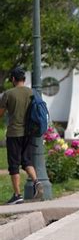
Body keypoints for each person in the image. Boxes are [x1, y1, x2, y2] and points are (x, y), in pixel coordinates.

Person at [0, 67, 43, 204]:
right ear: (24, 79)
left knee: (14, 164)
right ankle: (37, 182)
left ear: (13, 79)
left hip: (14, 133)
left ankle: (17, 195)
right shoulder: (32, 93)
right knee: (27, 161)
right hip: (29, 133)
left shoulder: (8, 94)